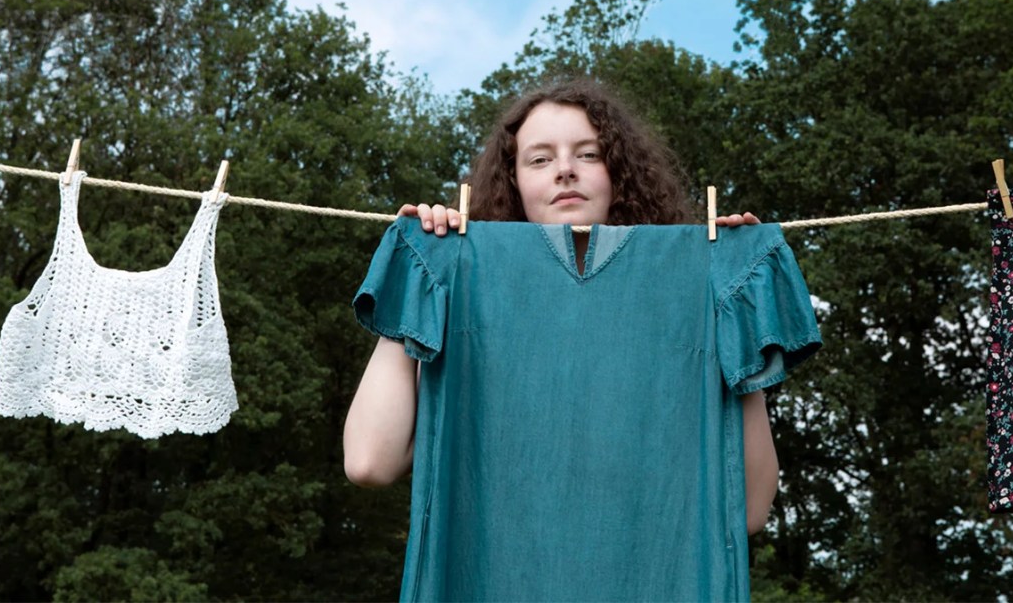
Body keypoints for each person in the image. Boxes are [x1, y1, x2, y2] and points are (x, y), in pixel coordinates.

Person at [345, 78, 814, 600]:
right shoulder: (460, 281)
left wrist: (732, 320)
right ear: (513, 181)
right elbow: (368, 461)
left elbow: (747, 507)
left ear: (619, 171)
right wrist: (421, 280)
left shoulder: (698, 285)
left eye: (588, 153)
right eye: (539, 159)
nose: (565, 169)